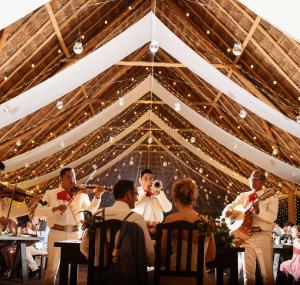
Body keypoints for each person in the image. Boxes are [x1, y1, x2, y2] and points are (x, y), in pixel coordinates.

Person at [34, 167, 104, 285]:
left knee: (72, 269)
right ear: (61, 179)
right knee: (51, 269)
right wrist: (54, 209)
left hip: (76, 234)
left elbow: (89, 210)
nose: (73, 180)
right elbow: (38, 212)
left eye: (74, 177)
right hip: (56, 233)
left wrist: (97, 197)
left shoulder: (81, 194)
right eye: (69, 177)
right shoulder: (51, 193)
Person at [80, 179, 154, 266]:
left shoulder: (97, 214)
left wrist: (97, 264)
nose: (137, 199)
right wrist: (151, 264)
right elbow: (149, 252)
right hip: (127, 277)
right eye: (136, 194)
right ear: (128, 194)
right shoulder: (137, 219)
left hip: (99, 276)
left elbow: (84, 246)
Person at [222, 170, 278, 285]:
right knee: (248, 275)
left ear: (263, 182)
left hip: (263, 236)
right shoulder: (243, 196)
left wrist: (258, 209)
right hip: (244, 236)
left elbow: (272, 217)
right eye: (251, 178)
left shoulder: (271, 196)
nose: (252, 180)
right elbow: (230, 207)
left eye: (256, 178)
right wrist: (227, 211)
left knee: (267, 275)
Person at [160, 178, 215, 285]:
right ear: (193, 198)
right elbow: (211, 256)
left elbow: (163, 253)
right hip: (200, 279)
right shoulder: (206, 221)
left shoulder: (170, 219)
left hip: (174, 277)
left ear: (175, 197)